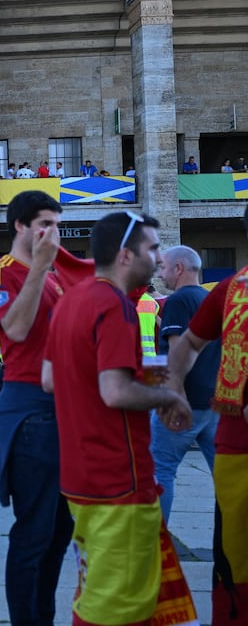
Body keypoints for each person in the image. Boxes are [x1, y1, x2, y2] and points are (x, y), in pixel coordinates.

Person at [43, 211, 196, 626]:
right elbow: (114, 391)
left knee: (95, 590)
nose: (159, 257)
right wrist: (166, 395)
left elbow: (50, 378)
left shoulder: (71, 298)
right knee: (116, 607)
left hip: (80, 475)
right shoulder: (115, 306)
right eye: (152, 248)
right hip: (118, 478)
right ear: (126, 255)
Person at [0, 190, 80, 626]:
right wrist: (40, 266)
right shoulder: (2, 272)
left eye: (57, 225)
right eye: (45, 224)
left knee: (60, 531)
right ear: (20, 225)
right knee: (34, 531)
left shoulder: (58, 272)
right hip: (29, 409)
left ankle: (43, 615)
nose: (52, 234)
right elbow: (16, 330)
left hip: (66, 407)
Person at [164, 205, 248, 625]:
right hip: (228, 432)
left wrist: (176, 389)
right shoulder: (226, 290)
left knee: (235, 550)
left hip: (231, 435)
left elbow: (186, 344)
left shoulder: (232, 290)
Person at [152, 245, 219, 523]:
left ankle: (155, 546)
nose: (161, 274)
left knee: (160, 471)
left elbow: (179, 354)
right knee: (225, 475)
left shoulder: (178, 302)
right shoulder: (211, 299)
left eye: (164, 268)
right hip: (214, 403)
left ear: (178, 268)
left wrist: (173, 399)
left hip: (185, 401)